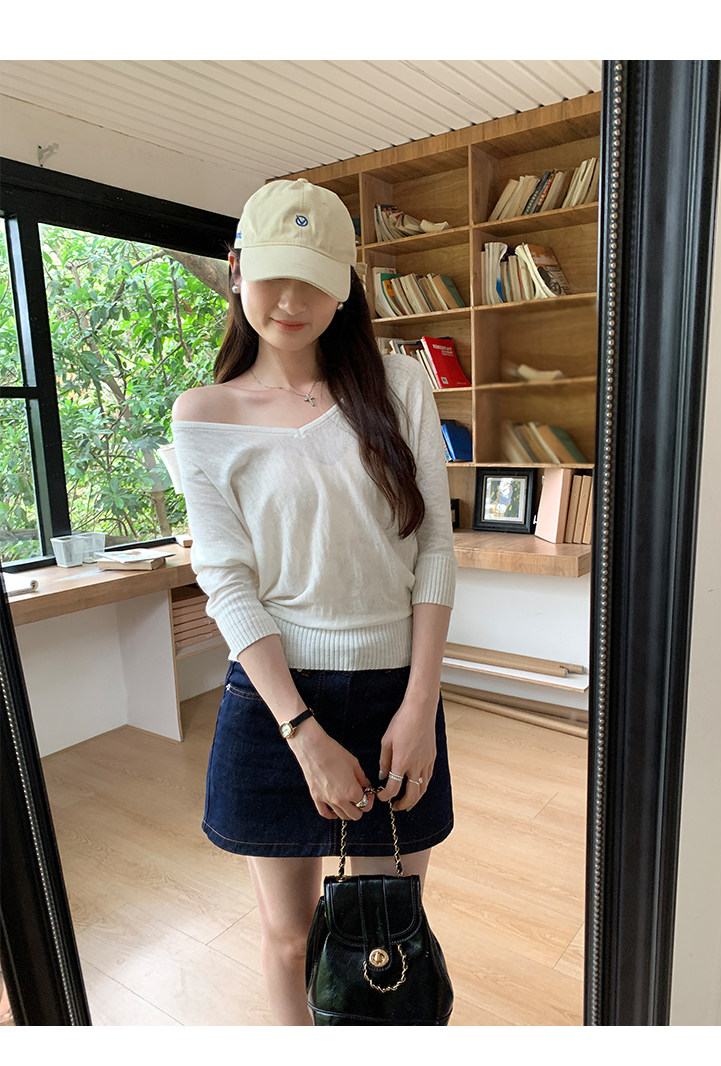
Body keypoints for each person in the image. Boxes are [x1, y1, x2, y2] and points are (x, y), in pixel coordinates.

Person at [171, 178, 457, 1025]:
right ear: (236, 269)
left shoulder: (399, 386)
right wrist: (302, 733)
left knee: (385, 932)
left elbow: (434, 550)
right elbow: (228, 581)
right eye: (274, 276)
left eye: (315, 279)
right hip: (274, 704)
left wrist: (420, 704)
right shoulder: (205, 414)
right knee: (288, 937)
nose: (292, 302)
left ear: (344, 288)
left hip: (395, 697)